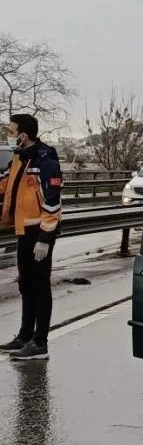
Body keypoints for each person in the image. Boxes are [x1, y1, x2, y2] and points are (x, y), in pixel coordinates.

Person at [0, 114, 63, 360]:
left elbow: (53, 200)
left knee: (40, 286)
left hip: (39, 233)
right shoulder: (20, 157)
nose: (10, 134)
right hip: (23, 231)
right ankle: (25, 336)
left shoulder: (45, 159)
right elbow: (5, 184)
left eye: (12, 130)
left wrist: (45, 238)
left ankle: (40, 344)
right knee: (25, 285)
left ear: (24, 134)